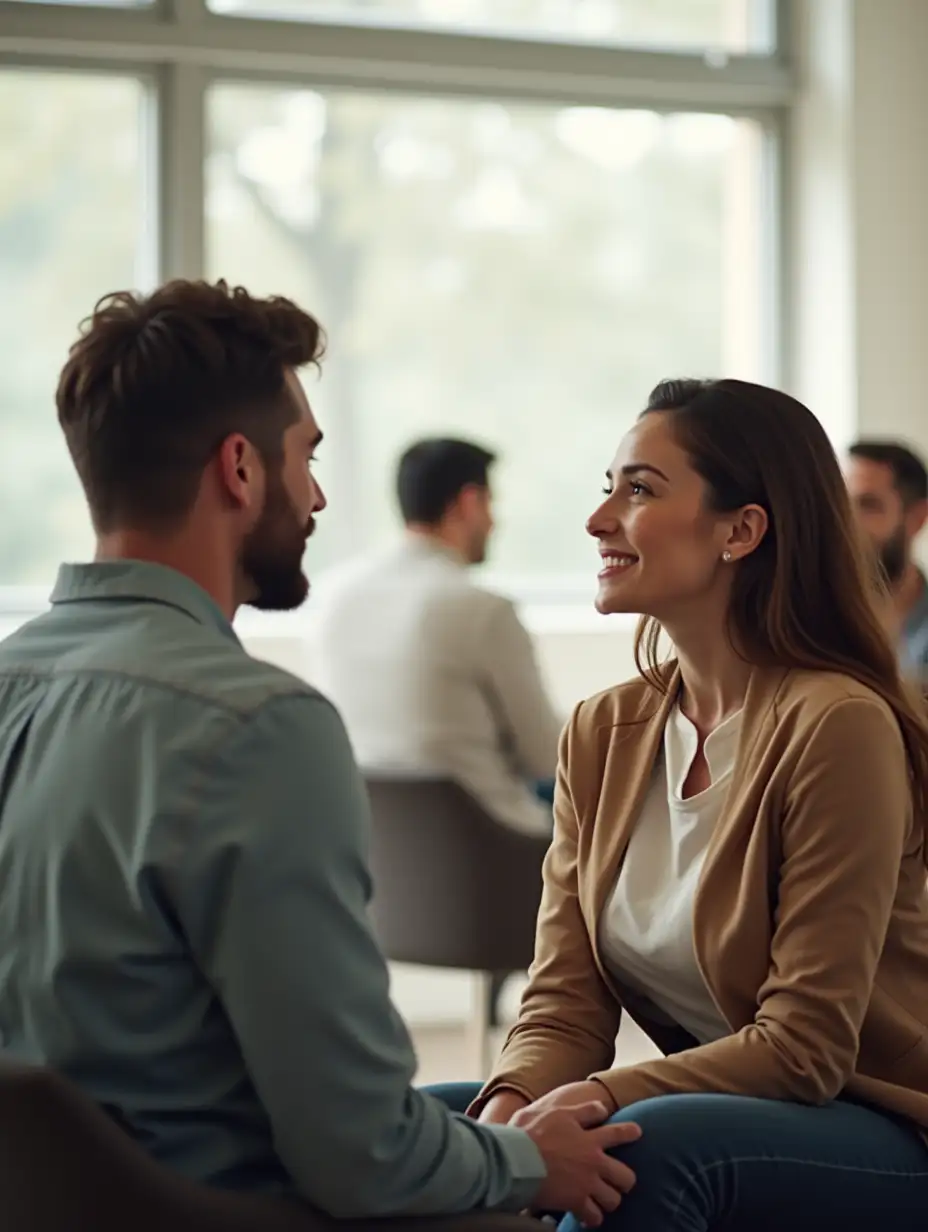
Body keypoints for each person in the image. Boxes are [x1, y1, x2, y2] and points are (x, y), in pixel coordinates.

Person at [0, 280, 642, 1224]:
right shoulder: (256, 727)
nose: (319, 495)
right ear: (239, 469)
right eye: (307, 455)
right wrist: (525, 1162)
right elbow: (366, 1153)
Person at [430, 379, 928, 1231]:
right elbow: (565, 1002)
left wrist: (589, 1098)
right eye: (607, 486)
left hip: (882, 1118)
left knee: (638, 1149)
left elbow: (804, 1048)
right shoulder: (603, 731)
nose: (598, 519)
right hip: (736, 1101)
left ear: (741, 530)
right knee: (421, 1127)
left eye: (639, 489)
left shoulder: (837, 725)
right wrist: (513, 1106)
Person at [312, 437, 560, 836]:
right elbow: (548, 756)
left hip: (378, 856)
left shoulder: (336, 599)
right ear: (468, 502)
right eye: (491, 504)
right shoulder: (481, 609)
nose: (495, 522)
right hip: (496, 853)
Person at [845, 439, 928, 682]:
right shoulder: (811, 626)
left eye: (868, 505)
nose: (848, 524)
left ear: (918, 517)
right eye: (841, 505)